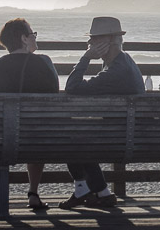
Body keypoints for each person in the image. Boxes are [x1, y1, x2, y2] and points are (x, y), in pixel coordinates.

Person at [0, 18, 59, 212]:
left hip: (5, 138)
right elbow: (54, 94)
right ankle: (33, 194)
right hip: (41, 136)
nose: (35, 37)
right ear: (23, 38)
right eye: (32, 34)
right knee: (36, 123)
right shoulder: (44, 62)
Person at [60, 16, 144, 209]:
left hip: (123, 137)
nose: (89, 43)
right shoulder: (124, 62)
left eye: (95, 39)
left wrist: (86, 58)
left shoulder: (116, 71)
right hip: (130, 132)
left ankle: (89, 190)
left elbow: (72, 87)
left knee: (70, 136)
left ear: (111, 40)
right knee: (76, 134)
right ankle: (100, 193)